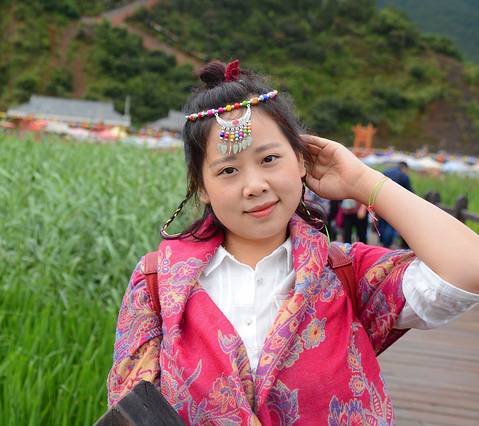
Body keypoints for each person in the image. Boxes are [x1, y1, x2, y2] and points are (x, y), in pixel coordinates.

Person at [106, 60, 479, 425]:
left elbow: (469, 267)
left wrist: (361, 182)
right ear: (201, 186)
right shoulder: (157, 284)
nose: (255, 185)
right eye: (228, 170)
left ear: (301, 161)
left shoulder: (349, 275)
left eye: (269, 159)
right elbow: (133, 411)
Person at [378, 161, 412, 248]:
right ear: (404, 168)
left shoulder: (385, 172)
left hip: (380, 201)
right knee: (391, 225)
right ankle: (386, 244)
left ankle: (381, 240)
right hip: (394, 204)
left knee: (382, 222)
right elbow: (410, 192)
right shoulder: (403, 176)